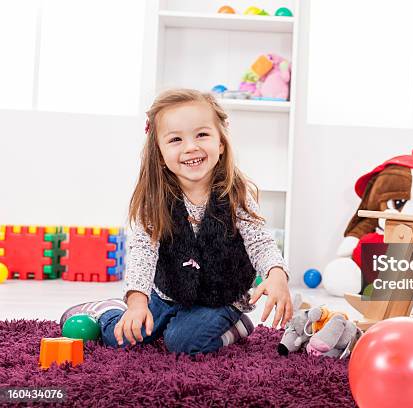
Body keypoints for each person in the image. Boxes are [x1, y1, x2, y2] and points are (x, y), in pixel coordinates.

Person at [60, 89, 292, 355]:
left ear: (221, 143)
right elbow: (143, 254)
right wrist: (137, 302)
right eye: (175, 139)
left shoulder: (236, 194)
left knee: (183, 343)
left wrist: (276, 273)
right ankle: (106, 311)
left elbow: (259, 241)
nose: (190, 147)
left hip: (220, 298)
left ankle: (237, 325)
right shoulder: (156, 200)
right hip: (167, 294)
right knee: (120, 339)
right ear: (159, 153)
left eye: (202, 135)